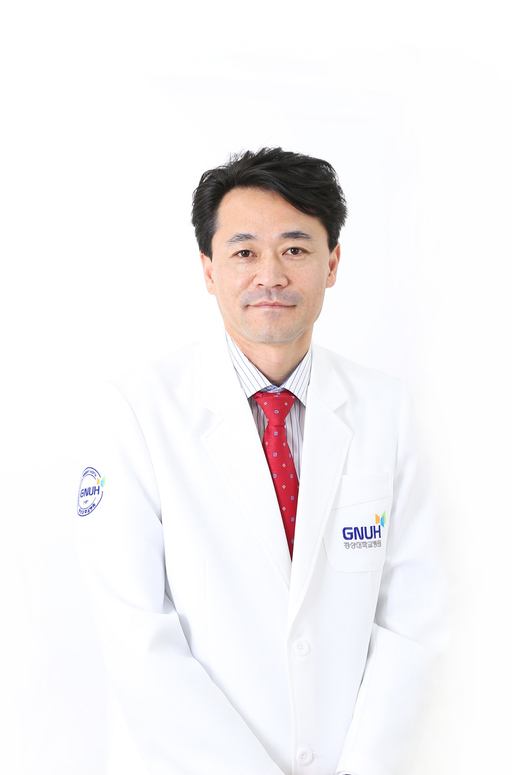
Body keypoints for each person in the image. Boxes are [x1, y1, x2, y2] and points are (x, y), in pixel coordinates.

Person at [76, 148, 447, 775]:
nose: (270, 275)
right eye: (244, 252)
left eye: (295, 249)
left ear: (332, 263)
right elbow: (137, 638)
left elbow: (416, 615)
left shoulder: (387, 409)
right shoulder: (136, 413)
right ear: (208, 269)